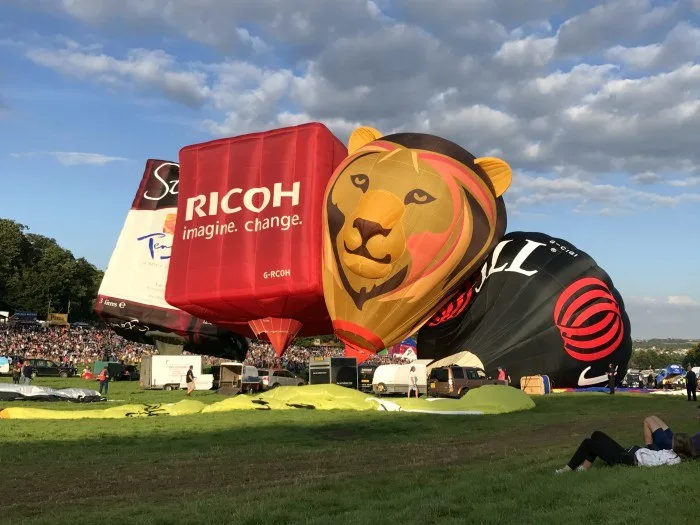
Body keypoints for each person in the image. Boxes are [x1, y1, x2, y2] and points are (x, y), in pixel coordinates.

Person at [554, 430, 694, 474]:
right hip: (630, 452)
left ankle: (567, 469)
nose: (672, 442)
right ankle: (584, 467)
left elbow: (654, 464)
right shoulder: (672, 452)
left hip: (629, 459)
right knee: (596, 434)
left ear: (679, 445)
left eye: (674, 441)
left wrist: (641, 454)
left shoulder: (674, 460)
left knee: (588, 443)